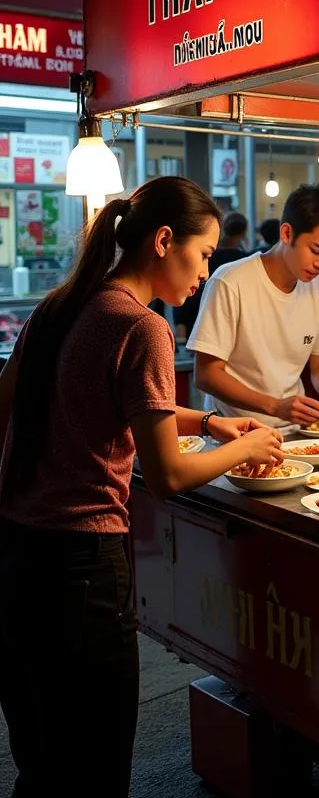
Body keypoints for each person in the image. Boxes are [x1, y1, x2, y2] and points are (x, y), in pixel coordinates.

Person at [0, 178, 287, 797]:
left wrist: (208, 420)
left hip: (17, 557)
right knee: (94, 767)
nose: (206, 271)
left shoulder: (59, 306)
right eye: (205, 253)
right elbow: (168, 475)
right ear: (164, 241)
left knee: (42, 760)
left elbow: (25, 406)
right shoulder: (143, 327)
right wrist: (247, 446)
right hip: (82, 572)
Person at [189, 184, 319, 428]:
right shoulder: (230, 281)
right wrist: (275, 406)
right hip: (233, 430)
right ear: (287, 234)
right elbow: (206, 375)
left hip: (295, 430)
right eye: (316, 250)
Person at [174, 210, 249, 340]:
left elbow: (190, 295)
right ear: (243, 233)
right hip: (233, 327)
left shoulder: (207, 258)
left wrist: (180, 323)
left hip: (198, 323)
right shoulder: (245, 261)